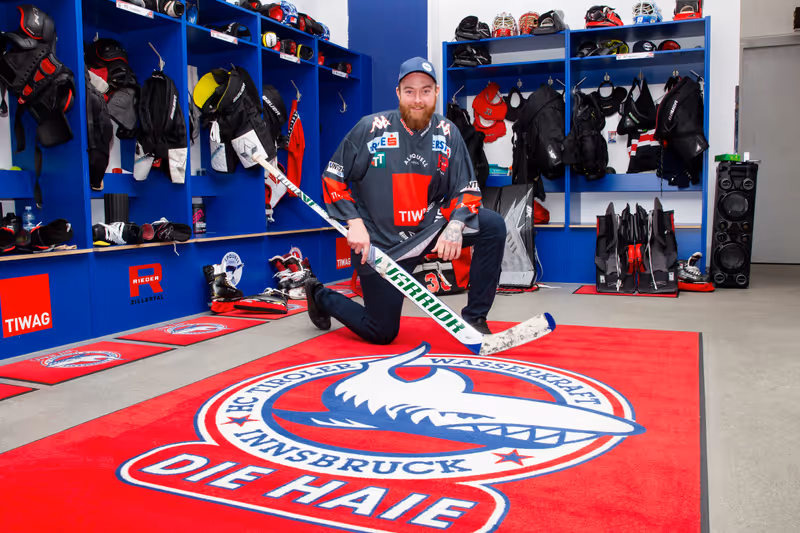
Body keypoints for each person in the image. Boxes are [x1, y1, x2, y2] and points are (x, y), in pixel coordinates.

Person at [304, 56, 506, 344]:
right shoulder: (370, 128)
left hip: (428, 230)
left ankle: (475, 318)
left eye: (426, 90)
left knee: (493, 225)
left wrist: (456, 225)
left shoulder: (448, 132)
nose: (418, 99)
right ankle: (320, 295)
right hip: (381, 243)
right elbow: (333, 176)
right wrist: (354, 222)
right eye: (409, 91)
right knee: (382, 332)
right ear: (398, 93)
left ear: (437, 92)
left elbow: (467, 189)